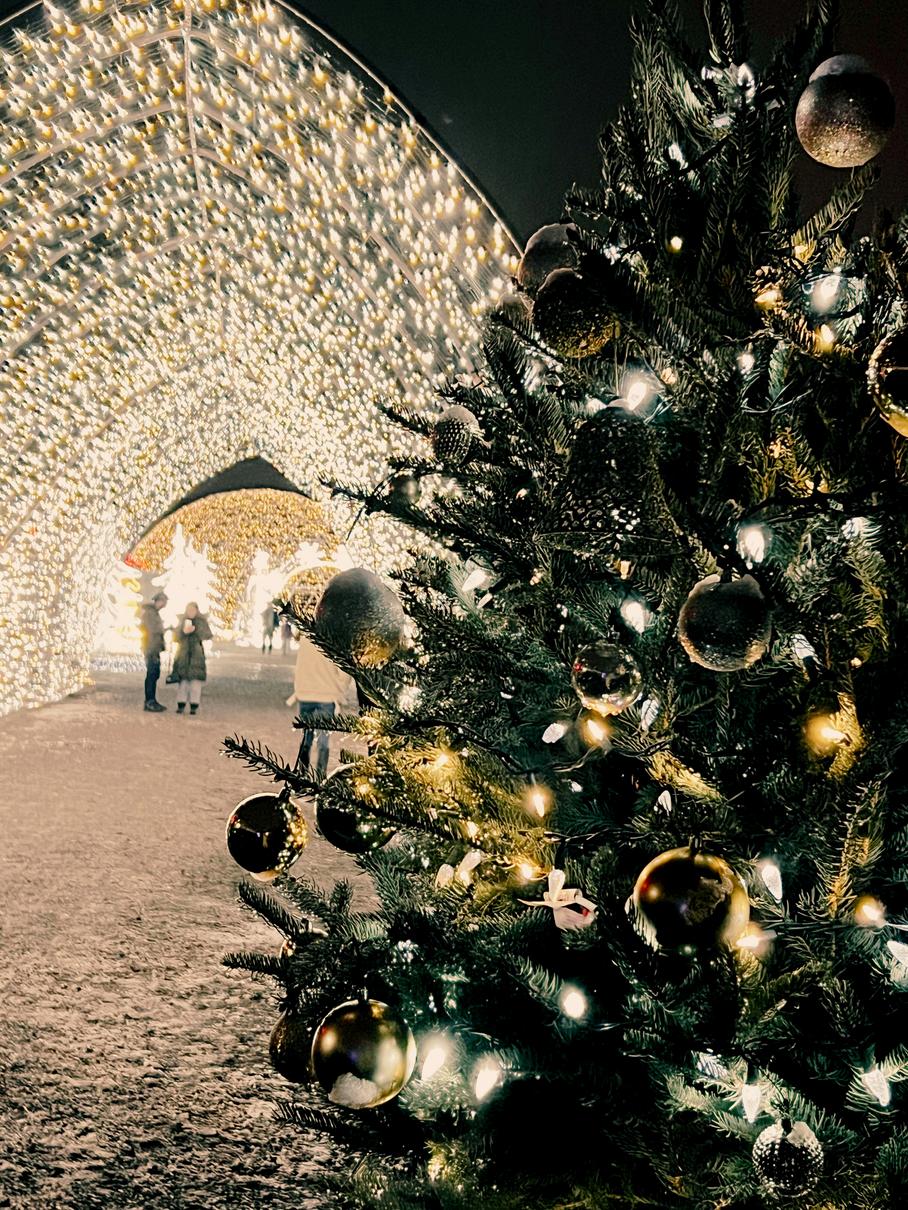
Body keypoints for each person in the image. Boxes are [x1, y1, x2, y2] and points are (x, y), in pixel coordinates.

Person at [288, 633, 356, 778]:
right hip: (327, 695)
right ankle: (320, 777)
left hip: (305, 693)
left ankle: (301, 775)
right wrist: (340, 688)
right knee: (323, 742)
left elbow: (300, 666)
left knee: (306, 739)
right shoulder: (333, 638)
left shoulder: (306, 636)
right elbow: (344, 670)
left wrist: (300, 687)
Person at [171, 602, 213, 715]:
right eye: (189, 610)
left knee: (195, 683)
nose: (190, 612)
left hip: (196, 656)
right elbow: (175, 637)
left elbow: (208, 635)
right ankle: (181, 704)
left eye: (193, 610)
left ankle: (194, 705)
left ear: (197, 611)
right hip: (183, 655)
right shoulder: (182, 621)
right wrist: (183, 632)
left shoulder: (201, 622)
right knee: (183, 682)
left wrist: (196, 630)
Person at [139, 591, 168, 712]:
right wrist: (163, 630)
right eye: (164, 601)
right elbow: (152, 631)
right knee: (152, 675)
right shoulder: (150, 614)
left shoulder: (153, 613)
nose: (165, 604)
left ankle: (151, 700)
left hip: (153, 648)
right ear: (159, 601)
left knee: (154, 674)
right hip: (152, 649)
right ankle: (149, 701)